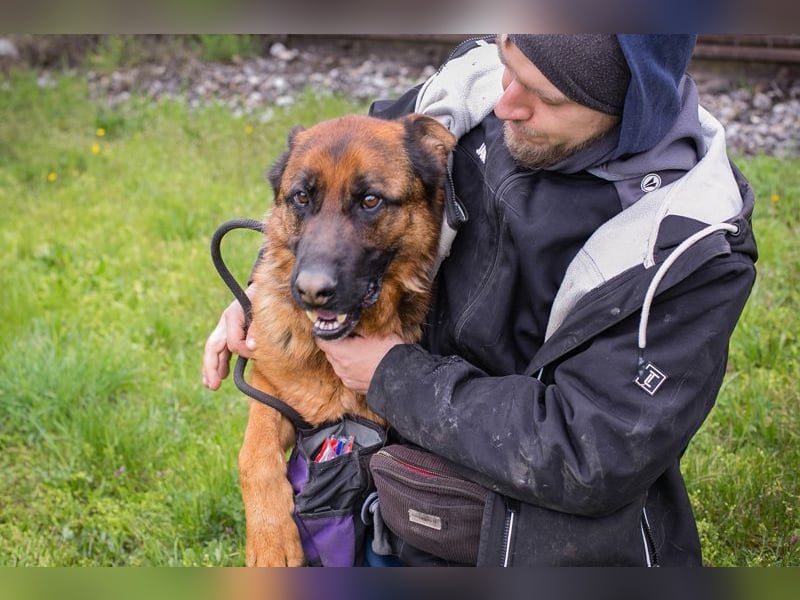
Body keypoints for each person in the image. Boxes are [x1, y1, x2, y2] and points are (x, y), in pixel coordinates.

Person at [202, 34, 757, 566]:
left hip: (524, 535)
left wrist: (392, 375)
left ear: (629, 107)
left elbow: (590, 454)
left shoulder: (691, 251)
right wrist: (266, 289)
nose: (503, 102)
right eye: (509, 65)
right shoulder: (474, 88)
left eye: (543, 95)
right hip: (403, 480)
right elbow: (331, 178)